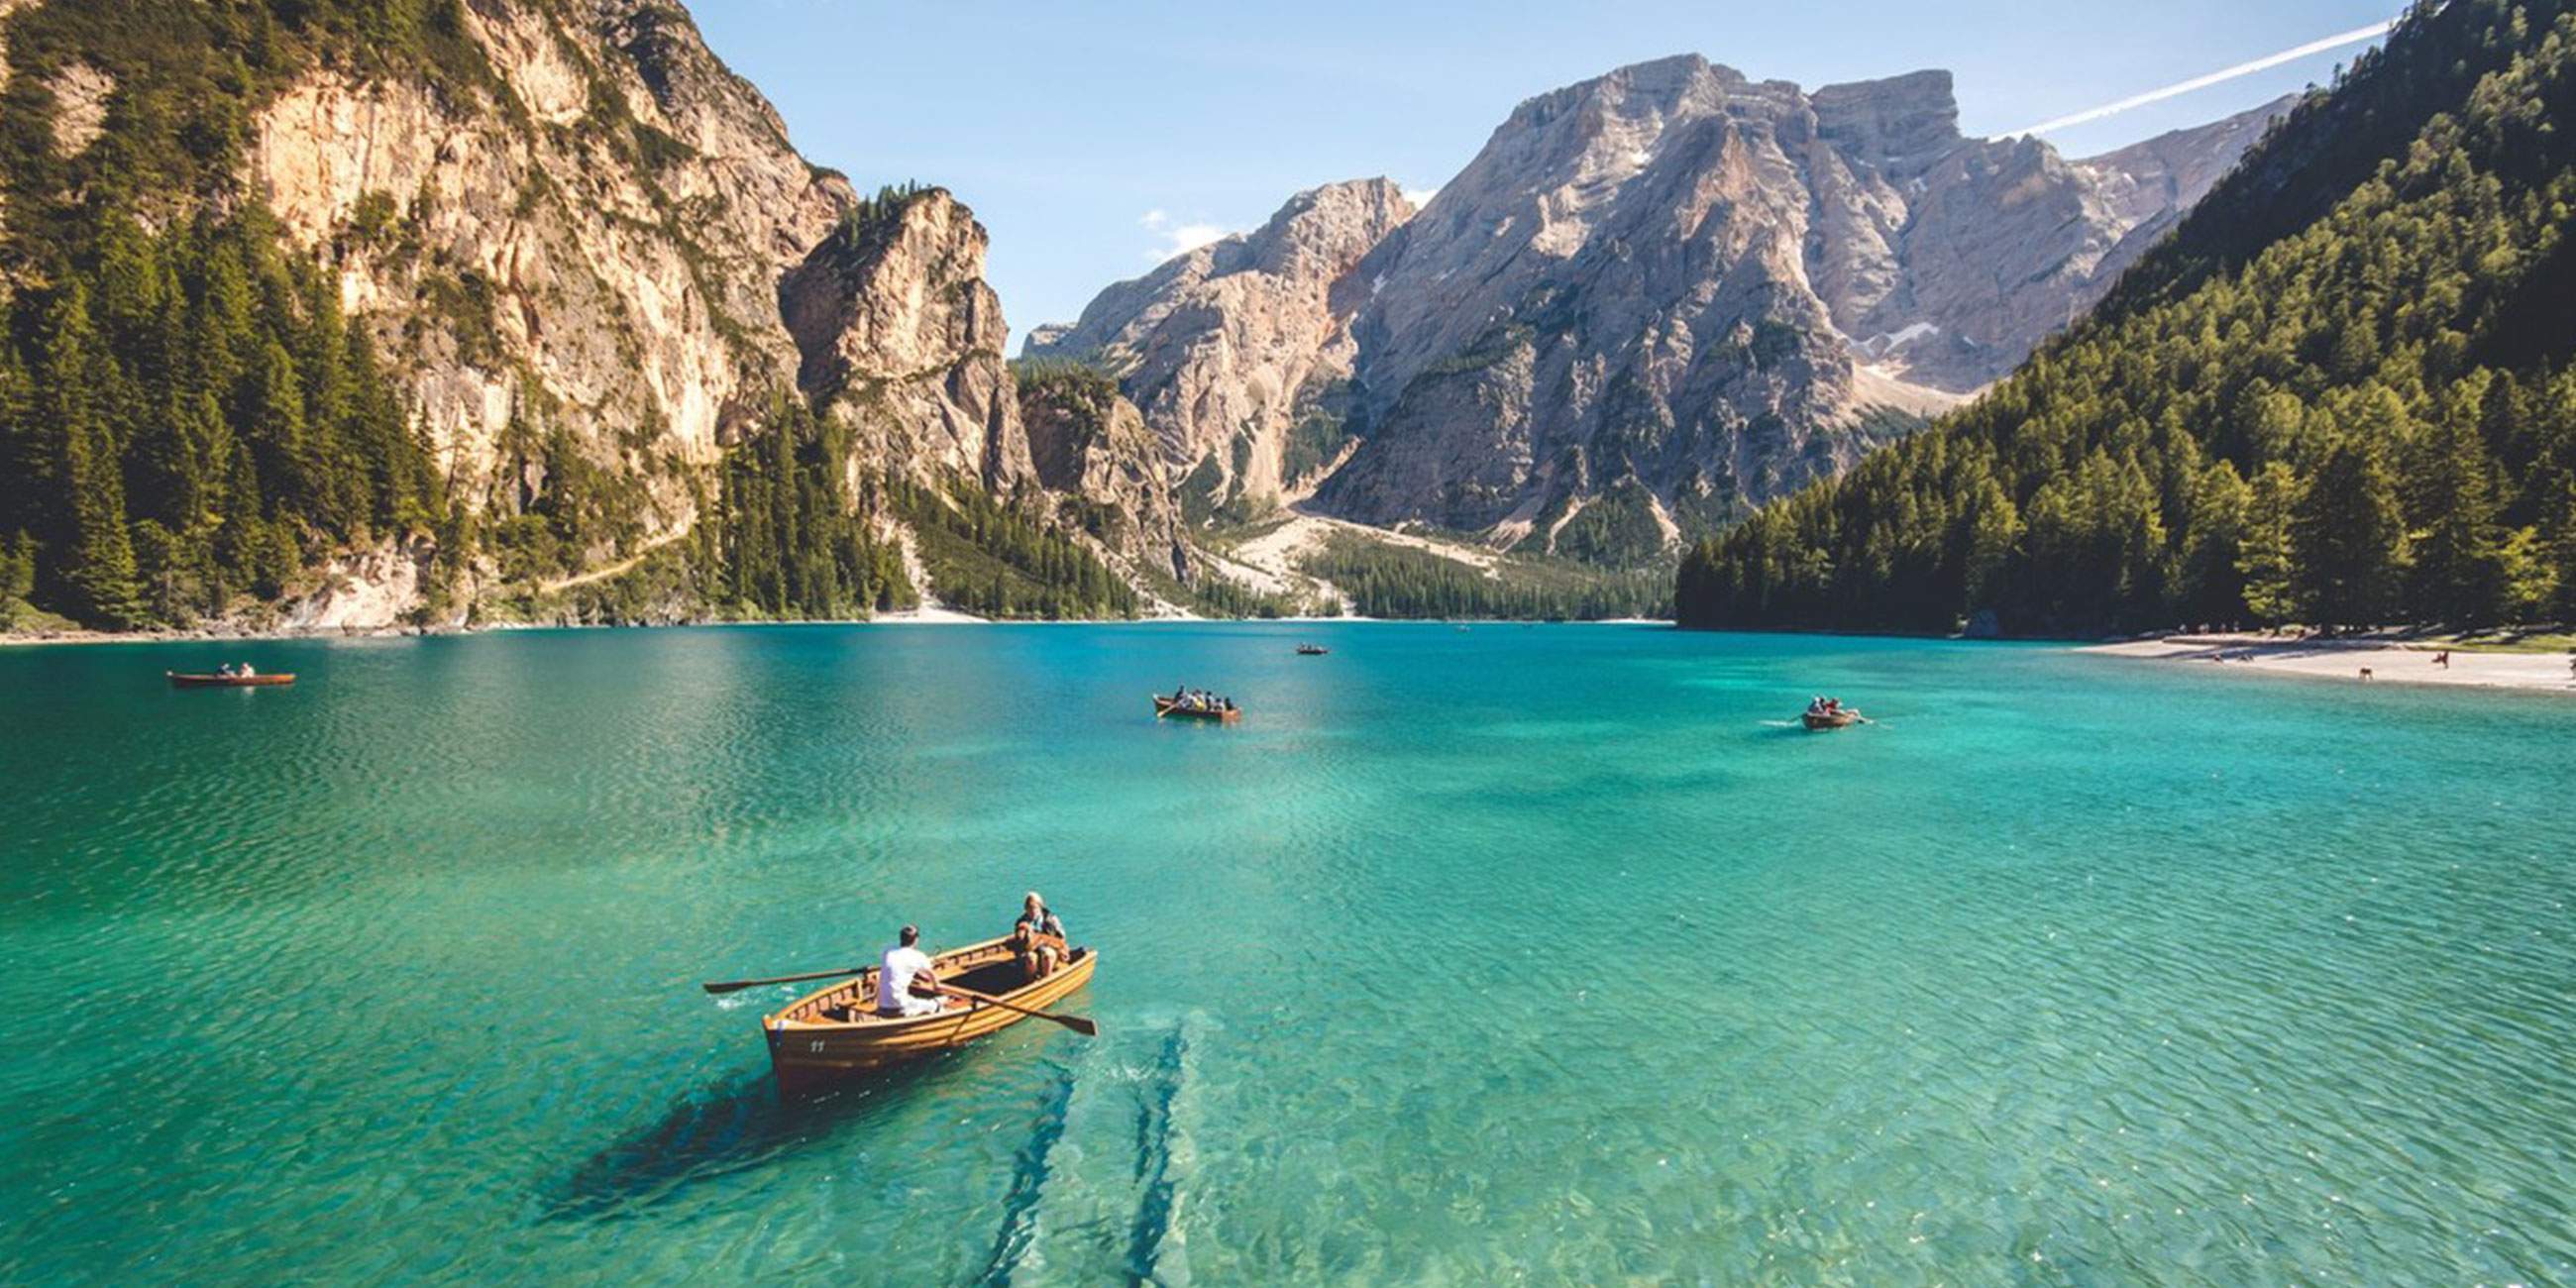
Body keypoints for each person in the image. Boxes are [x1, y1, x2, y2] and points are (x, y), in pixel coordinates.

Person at [875, 924, 950, 1019]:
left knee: (913, 1000)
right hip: (900, 1008)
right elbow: (935, 983)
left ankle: (939, 1001)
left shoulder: (888, 950)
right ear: (916, 939)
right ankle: (940, 1005)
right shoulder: (919, 956)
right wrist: (936, 985)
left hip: (881, 1006)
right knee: (937, 1006)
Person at [1011, 892, 1066, 980]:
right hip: (1030, 951)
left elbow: (1061, 941)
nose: (1032, 910)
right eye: (1029, 907)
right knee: (1030, 958)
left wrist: (1043, 939)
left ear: (1040, 907)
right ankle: (1030, 981)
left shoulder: (1051, 919)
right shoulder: (1022, 922)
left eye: (1035, 907)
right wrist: (1024, 934)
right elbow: (1018, 945)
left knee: (1048, 955)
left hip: (1050, 950)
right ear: (1025, 908)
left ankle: (1047, 979)